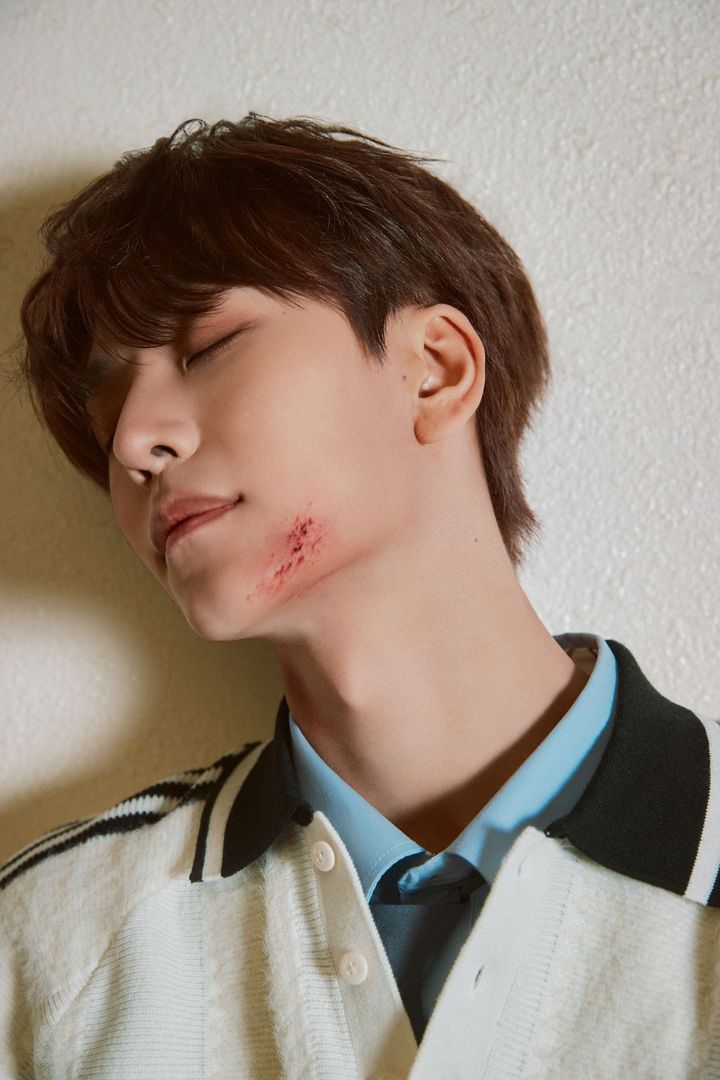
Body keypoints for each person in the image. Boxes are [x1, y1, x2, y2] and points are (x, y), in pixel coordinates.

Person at [1, 113, 718, 1079]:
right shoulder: (48, 945)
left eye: (209, 345)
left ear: (436, 371)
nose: (134, 442)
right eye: (105, 418)